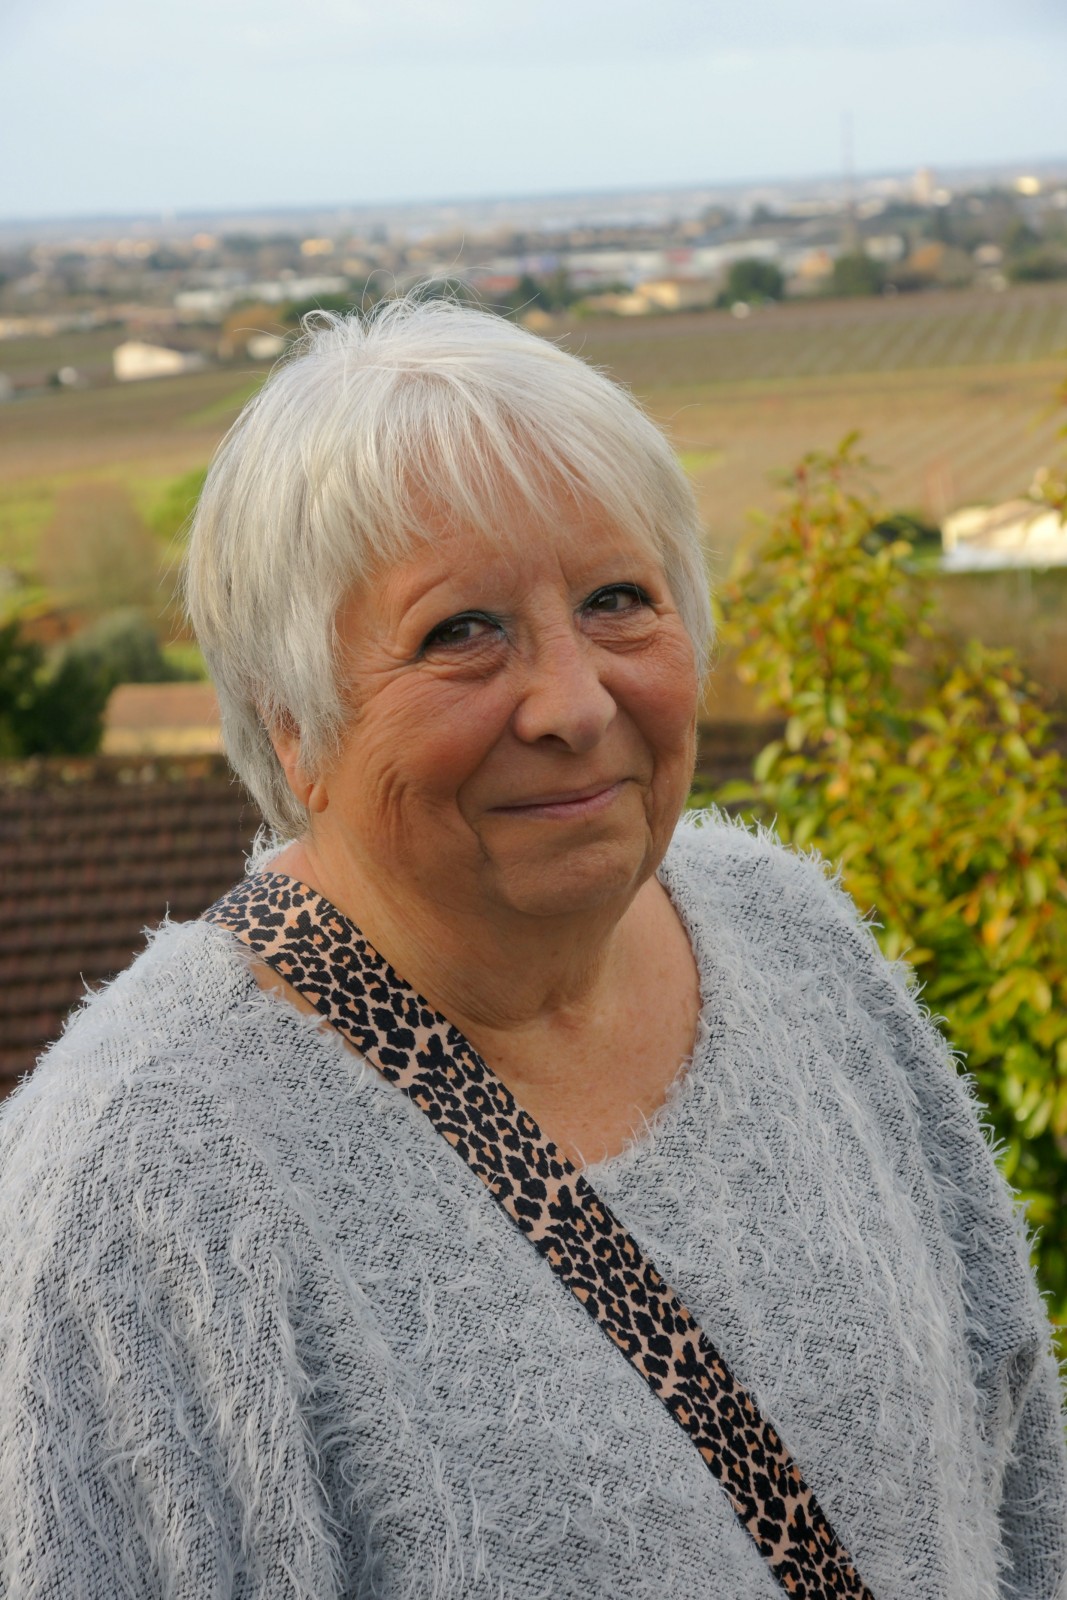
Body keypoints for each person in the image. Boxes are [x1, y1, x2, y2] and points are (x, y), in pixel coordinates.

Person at [0, 297, 1064, 1600]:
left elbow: (1023, 1476)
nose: (572, 701)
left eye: (619, 600)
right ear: (292, 726)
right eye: (462, 632)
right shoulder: (137, 1185)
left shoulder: (793, 935)